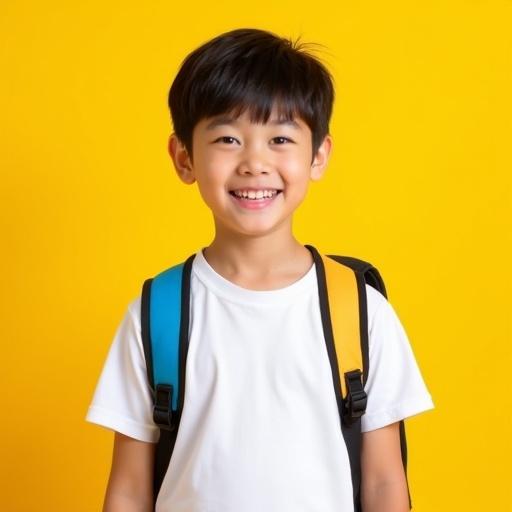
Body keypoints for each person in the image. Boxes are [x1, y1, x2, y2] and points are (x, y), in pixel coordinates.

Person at [85, 27, 434, 512]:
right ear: (184, 156)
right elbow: (127, 489)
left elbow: (384, 483)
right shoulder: (157, 312)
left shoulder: (357, 310)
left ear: (318, 156)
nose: (254, 162)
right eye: (228, 138)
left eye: (280, 138)